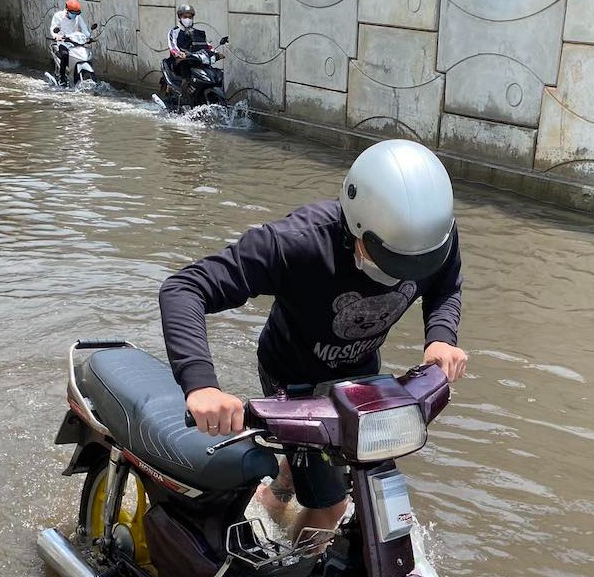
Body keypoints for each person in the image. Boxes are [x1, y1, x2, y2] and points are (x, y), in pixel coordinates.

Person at [158, 139, 469, 535]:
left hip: (362, 377)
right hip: (294, 378)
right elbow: (185, 288)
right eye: (389, 261)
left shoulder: (432, 238)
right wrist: (201, 385)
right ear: (357, 224)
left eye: (414, 266)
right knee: (332, 507)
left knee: (362, 478)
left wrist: (440, 337)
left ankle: (279, 490)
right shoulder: (297, 243)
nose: (399, 276)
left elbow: (446, 285)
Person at [166, 3, 222, 79]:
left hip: (195, 60)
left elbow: (206, 45)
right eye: (185, 17)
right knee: (185, 66)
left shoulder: (197, 32)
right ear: (179, 17)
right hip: (180, 62)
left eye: (190, 17)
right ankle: (185, 86)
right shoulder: (174, 32)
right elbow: (173, 47)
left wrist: (216, 53)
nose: (188, 19)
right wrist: (179, 54)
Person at [50, 0, 89, 86]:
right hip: (63, 42)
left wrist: (88, 36)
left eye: (76, 13)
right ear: (67, 10)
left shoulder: (77, 17)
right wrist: (56, 36)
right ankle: (62, 78)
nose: (74, 15)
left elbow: (84, 27)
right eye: (73, 13)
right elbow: (53, 28)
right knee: (64, 55)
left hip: (75, 42)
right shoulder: (58, 16)